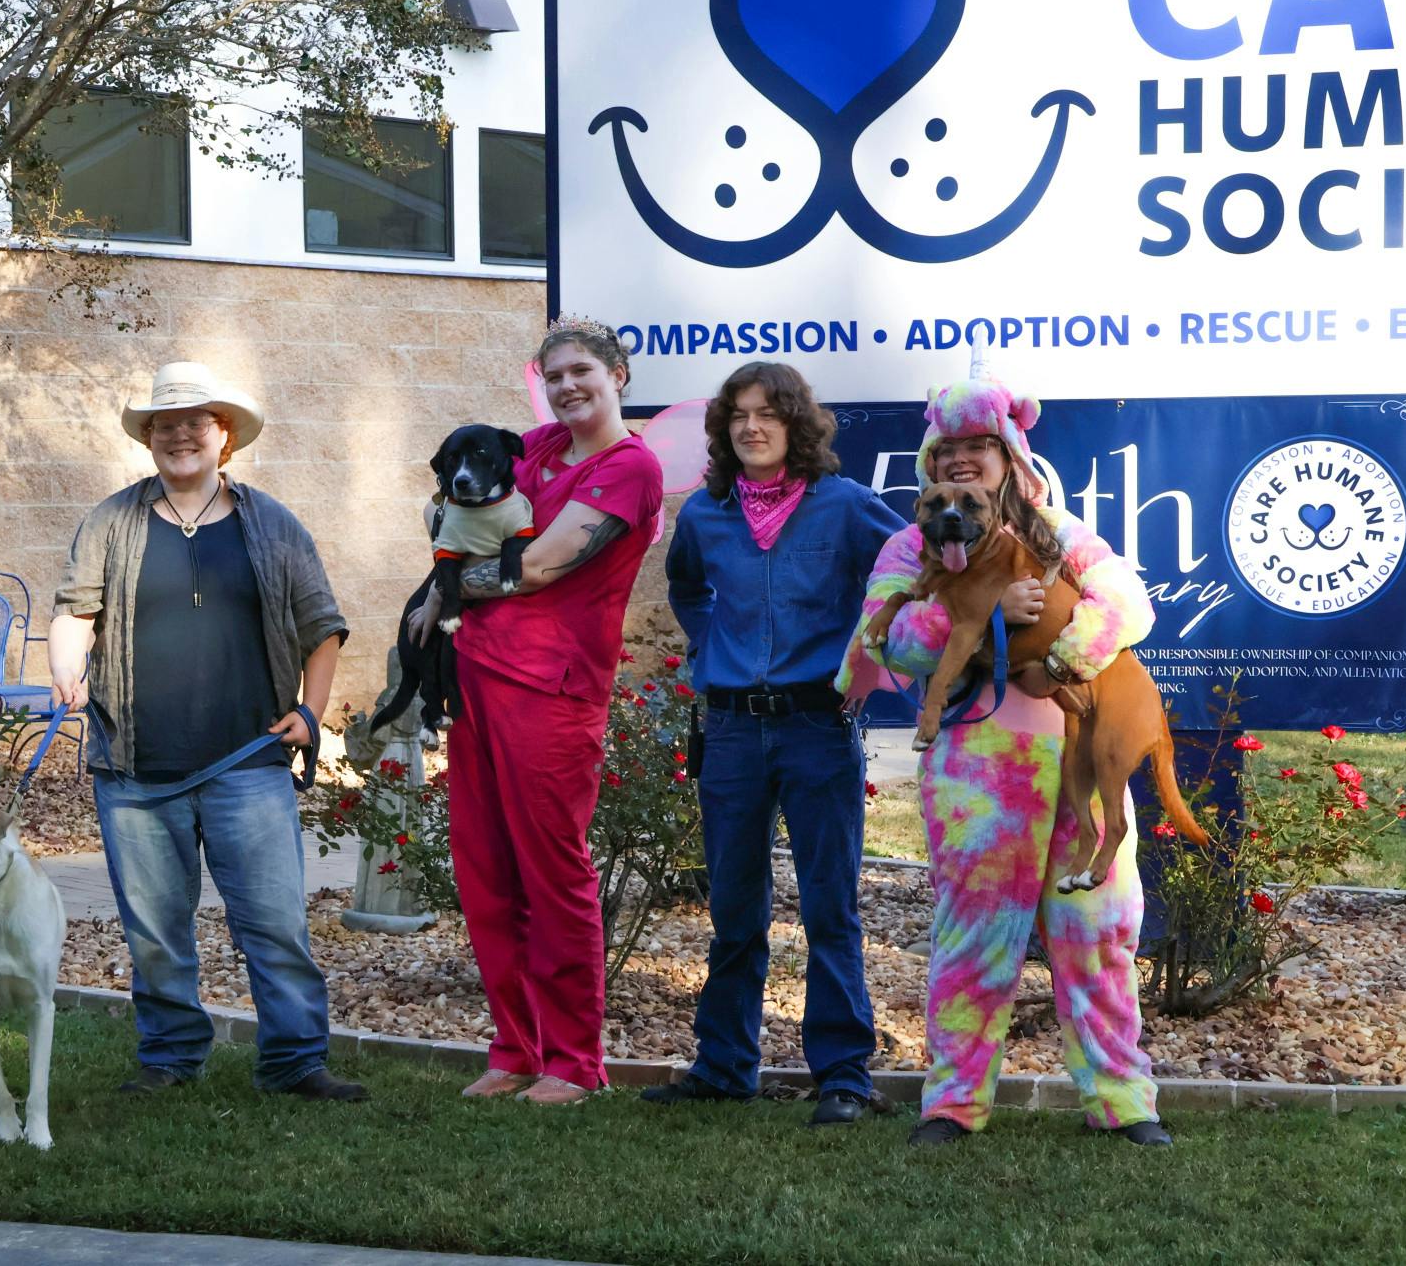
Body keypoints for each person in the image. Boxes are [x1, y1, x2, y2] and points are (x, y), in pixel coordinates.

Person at [837, 363, 1173, 1146]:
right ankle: (953, 1104)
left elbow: (1129, 604)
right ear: (928, 465)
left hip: (1077, 760)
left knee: (1097, 933)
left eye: (977, 445)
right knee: (973, 939)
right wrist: (987, 617)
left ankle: (1123, 1099)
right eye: (945, 449)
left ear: (1008, 455)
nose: (960, 458)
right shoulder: (908, 547)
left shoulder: (1060, 532)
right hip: (977, 771)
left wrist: (1062, 655)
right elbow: (879, 637)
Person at [48, 360, 367, 1102]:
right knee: (156, 932)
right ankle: (170, 1058)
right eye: (166, 425)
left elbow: (324, 627)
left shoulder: (273, 523)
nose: (181, 435)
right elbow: (74, 610)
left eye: (198, 422)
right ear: (150, 439)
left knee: (276, 926)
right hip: (137, 769)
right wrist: (68, 668)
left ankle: (294, 1062)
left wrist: (311, 714)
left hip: (247, 761)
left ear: (224, 437)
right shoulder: (111, 520)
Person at [412, 318, 665, 1105]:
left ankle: (573, 1061)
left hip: (550, 693)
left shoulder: (629, 466)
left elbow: (543, 566)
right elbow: (444, 504)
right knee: (485, 872)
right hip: (474, 682)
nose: (567, 388)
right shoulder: (538, 447)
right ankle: (514, 1047)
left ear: (618, 374)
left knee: (552, 874)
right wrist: (445, 564)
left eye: (582, 371)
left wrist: (447, 586)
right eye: (553, 376)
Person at [649, 362, 907, 1125]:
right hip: (729, 729)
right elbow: (687, 587)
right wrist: (711, 645)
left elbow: (903, 575)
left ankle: (843, 1075)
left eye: (768, 413)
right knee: (733, 904)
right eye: (738, 416)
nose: (752, 426)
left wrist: (868, 656)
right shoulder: (706, 512)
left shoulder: (844, 506)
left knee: (831, 904)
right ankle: (725, 1065)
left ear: (797, 424)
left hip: (815, 727)